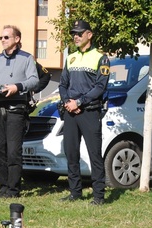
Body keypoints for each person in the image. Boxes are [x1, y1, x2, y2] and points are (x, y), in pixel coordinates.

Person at [58, 20, 110, 205]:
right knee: (71, 153)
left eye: (80, 33)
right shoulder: (70, 57)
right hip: (70, 112)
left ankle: (98, 196)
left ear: (90, 34)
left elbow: (100, 87)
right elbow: (63, 84)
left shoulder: (100, 58)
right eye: (74, 33)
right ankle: (75, 192)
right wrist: (67, 102)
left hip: (89, 112)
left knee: (94, 154)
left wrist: (79, 102)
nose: (76, 36)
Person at [0, 25, 39, 198]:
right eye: (1, 38)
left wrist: (17, 87)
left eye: (6, 37)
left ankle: (14, 189)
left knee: (13, 151)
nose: (2, 40)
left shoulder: (27, 58)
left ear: (16, 39)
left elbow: (34, 80)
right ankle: (3, 187)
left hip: (16, 110)